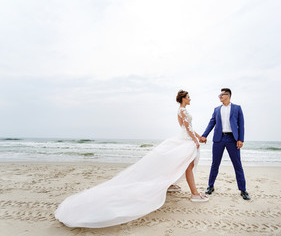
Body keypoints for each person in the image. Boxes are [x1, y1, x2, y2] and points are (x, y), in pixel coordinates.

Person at [55, 90, 208, 228]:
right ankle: (193, 193)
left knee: (177, 162)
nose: (190, 98)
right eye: (188, 97)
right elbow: (187, 128)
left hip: (184, 138)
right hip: (185, 139)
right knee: (185, 164)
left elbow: (188, 127)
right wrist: (195, 140)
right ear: (182, 99)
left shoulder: (182, 110)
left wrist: (198, 136)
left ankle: (173, 185)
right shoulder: (182, 110)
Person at [200, 88, 250, 200]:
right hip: (219, 139)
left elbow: (241, 125)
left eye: (222, 95)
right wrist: (204, 135)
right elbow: (211, 123)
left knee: (237, 165)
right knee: (215, 164)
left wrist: (241, 139)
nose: (220, 97)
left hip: (232, 139)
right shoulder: (217, 109)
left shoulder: (237, 108)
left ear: (228, 95)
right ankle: (210, 186)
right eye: (220, 95)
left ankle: (243, 190)